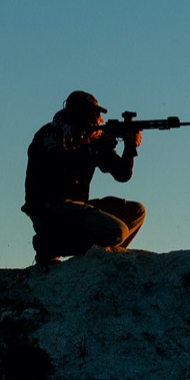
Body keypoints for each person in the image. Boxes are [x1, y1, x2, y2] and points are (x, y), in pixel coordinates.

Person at [22, 91, 146, 263]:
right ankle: (49, 244)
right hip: (50, 210)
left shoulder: (92, 140)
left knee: (136, 212)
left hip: (78, 209)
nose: (98, 120)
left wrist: (130, 146)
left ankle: (102, 256)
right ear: (78, 115)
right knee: (116, 231)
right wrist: (90, 148)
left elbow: (122, 174)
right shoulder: (50, 135)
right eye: (94, 115)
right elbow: (60, 164)